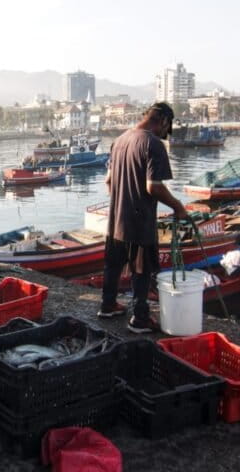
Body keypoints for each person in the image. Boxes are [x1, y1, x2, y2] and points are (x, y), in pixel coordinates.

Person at [99, 102, 189, 333]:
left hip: (116, 219)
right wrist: (178, 206)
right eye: (165, 129)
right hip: (140, 221)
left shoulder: (118, 141)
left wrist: (122, 200)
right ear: (164, 121)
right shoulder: (153, 144)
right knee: (142, 269)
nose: (164, 134)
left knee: (113, 264)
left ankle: (107, 306)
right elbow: (153, 187)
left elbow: (108, 181)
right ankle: (139, 319)